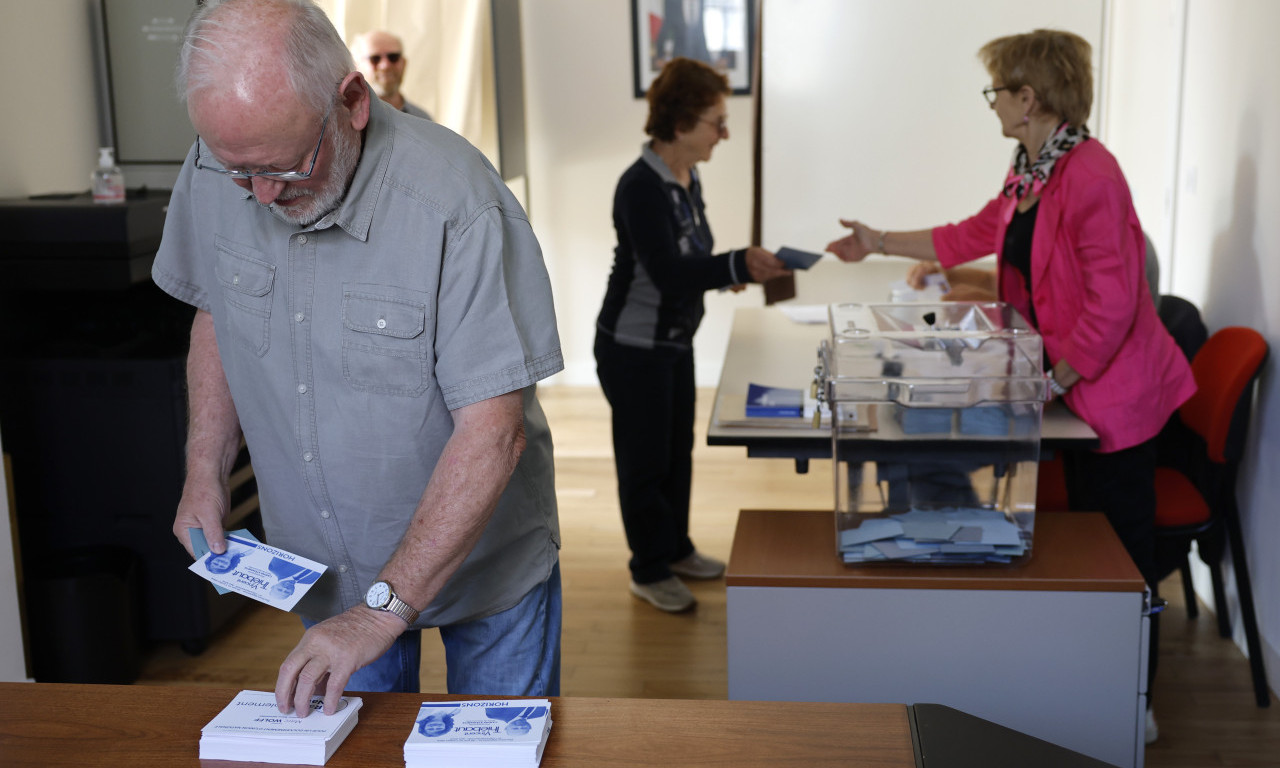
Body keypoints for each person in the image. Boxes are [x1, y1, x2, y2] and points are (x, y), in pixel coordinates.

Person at [154, 0, 562, 717]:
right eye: (239, 174)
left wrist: (379, 615)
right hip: (326, 572)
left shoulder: (456, 204)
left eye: (285, 166)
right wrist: (202, 471)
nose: (264, 195)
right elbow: (216, 311)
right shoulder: (220, 167)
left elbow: (492, 433)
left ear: (351, 102)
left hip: (483, 571)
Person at [825, 29, 1195, 742]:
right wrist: (880, 241)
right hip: (1074, 386)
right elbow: (975, 233)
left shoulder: (1092, 173)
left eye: (997, 89)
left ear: (1030, 99)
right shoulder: (1032, 167)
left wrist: (1051, 378)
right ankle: (1083, 674)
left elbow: (1115, 303)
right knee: (1087, 544)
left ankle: (1133, 695)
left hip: (1117, 396)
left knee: (1120, 551)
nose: (991, 101)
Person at [595, 57, 790, 613]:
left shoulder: (686, 176)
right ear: (680, 124)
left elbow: (690, 258)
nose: (723, 133)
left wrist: (723, 273)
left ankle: (675, 548)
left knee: (676, 451)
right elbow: (667, 273)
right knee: (644, 459)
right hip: (634, 350)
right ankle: (648, 567)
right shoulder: (640, 187)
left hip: (673, 344)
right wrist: (735, 268)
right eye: (716, 122)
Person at [350, 30, 432, 120]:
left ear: (404, 63)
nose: (385, 65)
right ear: (356, 66)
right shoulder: (347, 119)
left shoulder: (423, 120)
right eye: (375, 59)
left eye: (393, 57)